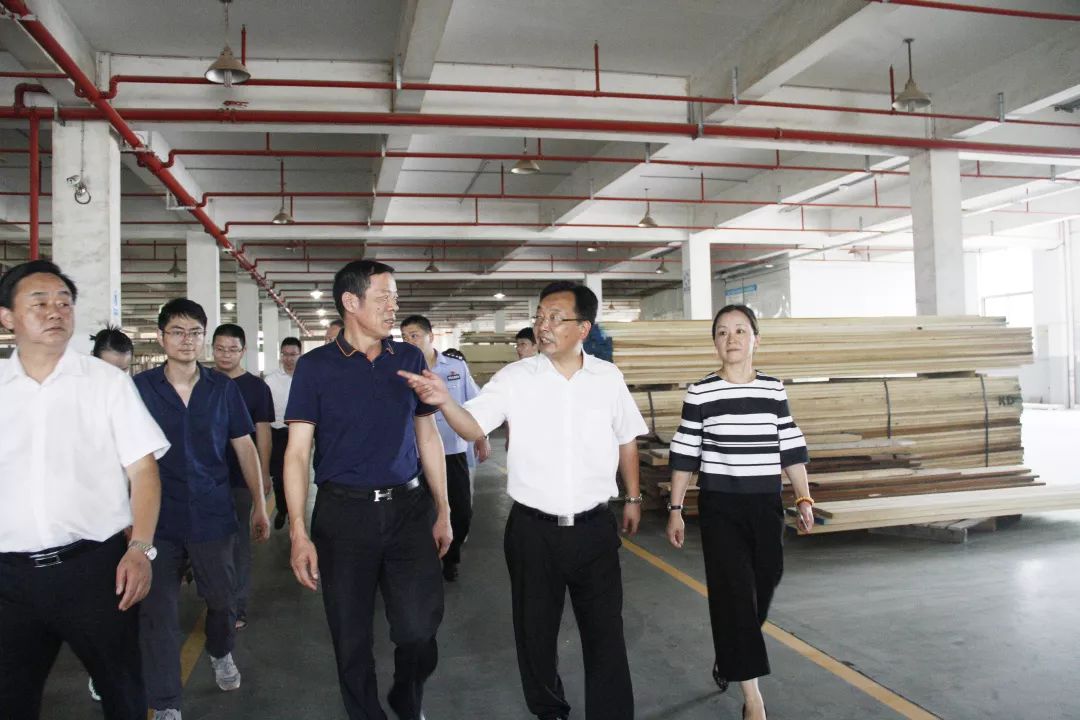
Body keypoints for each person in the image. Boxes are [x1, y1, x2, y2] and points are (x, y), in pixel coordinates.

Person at [399, 280, 647, 720]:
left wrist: (632, 496)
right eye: (539, 316)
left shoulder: (608, 379)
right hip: (533, 532)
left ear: (583, 328)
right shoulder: (515, 378)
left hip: (594, 530)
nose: (543, 326)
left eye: (555, 318)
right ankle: (549, 712)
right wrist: (444, 402)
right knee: (536, 635)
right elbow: (473, 425)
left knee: (606, 633)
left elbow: (627, 438)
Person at [0, 260, 168, 720]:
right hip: (9, 579)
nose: (55, 311)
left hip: (94, 571)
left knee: (123, 691)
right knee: (11, 697)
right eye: (39, 303)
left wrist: (141, 548)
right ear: (8, 317)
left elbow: (144, 471)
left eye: (64, 303)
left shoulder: (107, 384)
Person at [284, 260, 451, 720]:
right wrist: (298, 531)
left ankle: (406, 695)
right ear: (350, 302)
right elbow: (296, 453)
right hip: (344, 516)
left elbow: (427, 437)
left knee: (419, 628)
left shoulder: (409, 358)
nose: (393, 307)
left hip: (408, 510)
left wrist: (443, 509)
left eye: (395, 298)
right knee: (350, 635)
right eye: (383, 298)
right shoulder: (315, 368)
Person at [666, 304, 815, 720]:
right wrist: (675, 508)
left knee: (765, 582)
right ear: (715, 343)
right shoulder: (701, 393)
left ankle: (731, 653)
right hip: (721, 508)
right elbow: (685, 454)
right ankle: (753, 700)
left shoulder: (773, 390)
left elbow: (790, 446)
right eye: (722, 332)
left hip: (765, 504)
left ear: (756, 340)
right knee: (734, 595)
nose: (730, 339)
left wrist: (803, 497)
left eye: (739, 331)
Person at [133, 298, 270, 720]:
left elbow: (243, 445)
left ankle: (220, 650)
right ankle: (166, 702)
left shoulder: (222, 389)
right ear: (161, 337)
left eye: (195, 332)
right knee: (157, 612)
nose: (187, 340)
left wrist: (260, 505)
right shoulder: (140, 389)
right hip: (158, 519)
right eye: (177, 332)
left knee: (222, 599)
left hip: (212, 514)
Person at [401, 315, 491, 582]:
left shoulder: (455, 367)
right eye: (404, 337)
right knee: (420, 513)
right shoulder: (402, 371)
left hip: (453, 452)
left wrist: (481, 436)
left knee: (461, 511)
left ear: (431, 337)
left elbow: (475, 402)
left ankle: (451, 557)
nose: (409, 341)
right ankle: (427, 561)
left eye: (414, 335)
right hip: (417, 456)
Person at [87, 324, 138, 703]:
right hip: (84, 523)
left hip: (123, 518)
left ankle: (116, 669)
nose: (116, 378)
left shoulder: (133, 398)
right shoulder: (72, 398)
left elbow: (143, 469)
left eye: (123, 370)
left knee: (122, 598)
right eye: (109, 369)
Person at [211, 323, 274, 630]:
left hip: (240, 477)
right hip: (205, 476)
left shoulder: (256, 388)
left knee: (238, 541)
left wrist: (263, 472)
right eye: (220, 349)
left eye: (232, 349)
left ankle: (237, 605)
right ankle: (216, 599)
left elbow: (263, 433)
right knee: (210, 540)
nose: (226, 355)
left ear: (244, 351)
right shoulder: (201, 381)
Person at [264, 336, 301, 530]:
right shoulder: (271, 380)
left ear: (300, 355)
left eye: (293, 354)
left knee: (298, 475)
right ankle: (282, 509)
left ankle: (297, 514)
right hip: (277, 433)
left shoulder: (307, 377)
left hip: (300, 434)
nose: (289, 358)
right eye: (285, 354)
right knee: (278, 477)